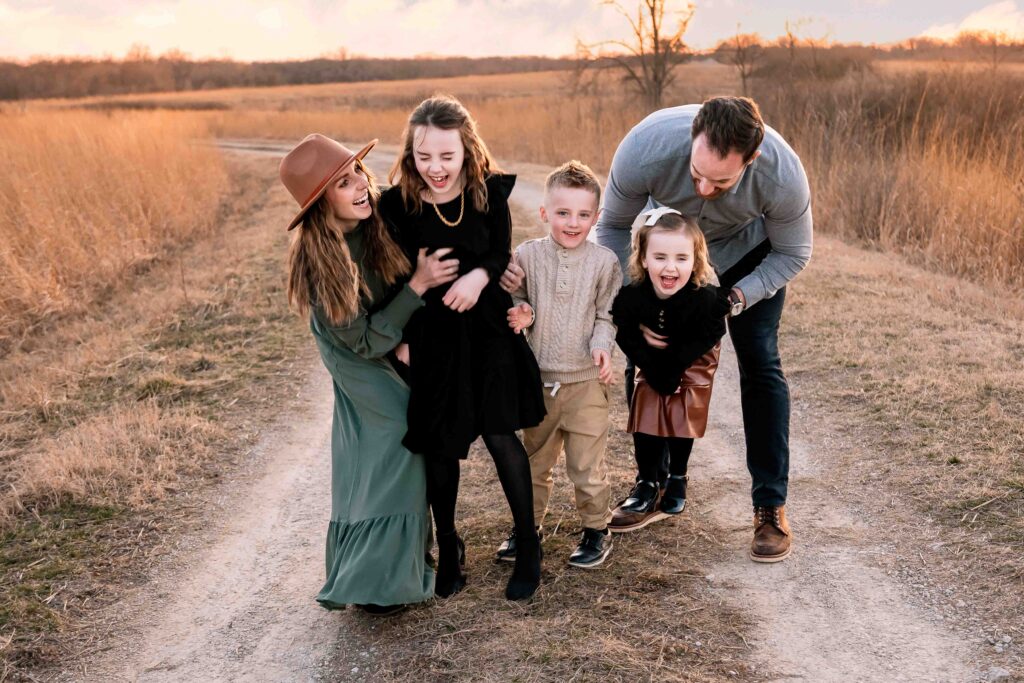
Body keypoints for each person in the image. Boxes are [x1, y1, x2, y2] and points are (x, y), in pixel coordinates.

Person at [595, 96, 812, 563]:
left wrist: (733, 299)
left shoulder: (782, 175)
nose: (704, 187)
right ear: (692, 137)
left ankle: (769, 506)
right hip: (668, 255)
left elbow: (793, 253)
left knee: (760, 363)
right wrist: (635, 294)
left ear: (751, 160)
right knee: (646, 355)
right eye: (696, 174)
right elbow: (611, 227)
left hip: (746, 260)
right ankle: (650, 485)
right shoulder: (645, 148)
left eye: (721, 181)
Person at [279, 134, 461, 614]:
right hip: (357, 356)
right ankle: (373, 577)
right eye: (343, 182)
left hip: (387, 336)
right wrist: (418, 288)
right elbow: (362, 340)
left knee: (403, 435)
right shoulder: (323, 262)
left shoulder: (375, 217)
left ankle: (401, 565)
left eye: (358, 171)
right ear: (321, 204)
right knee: (393, 436)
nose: (361, 185)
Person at [380, 95, 546, 601]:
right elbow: (389, 277)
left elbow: (499, 253)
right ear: (411, 152)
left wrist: (477, 276)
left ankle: (529, 542)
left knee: (500, 434)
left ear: (467, 151)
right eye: (424, 156)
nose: (435, 168)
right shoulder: (396, 205)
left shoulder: (488, 193)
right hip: (432, 338)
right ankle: (450, 548)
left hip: (488, 332)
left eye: (447, 157)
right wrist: (403, 340)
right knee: (440, 446)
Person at [499, 160, 621, 569]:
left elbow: (606, 315)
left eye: (584, 215)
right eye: (563, 213)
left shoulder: (605, 263)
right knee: (535, 462)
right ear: (544, 213)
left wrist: (603, 347)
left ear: (596, 217)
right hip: (540, 382)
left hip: (586, 383)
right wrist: (523, 313)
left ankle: (595, 531)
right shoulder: (526, 256)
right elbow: (515, 297)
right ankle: (526, 527)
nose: (573, 222)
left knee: (586, 466)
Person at [608, 208, 729, 532]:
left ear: (695, 260)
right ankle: (647, 480)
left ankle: (677, 476)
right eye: (659, 256)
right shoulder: (633, 296)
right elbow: (622, 329)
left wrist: (675, 362)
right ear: (644, 258)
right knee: (645, 422)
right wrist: (649, 362)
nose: (670, 267)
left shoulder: (703, 298)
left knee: (679, 422)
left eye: (681, 258)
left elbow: (713, 330)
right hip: (648, 368)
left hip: (686, 367)